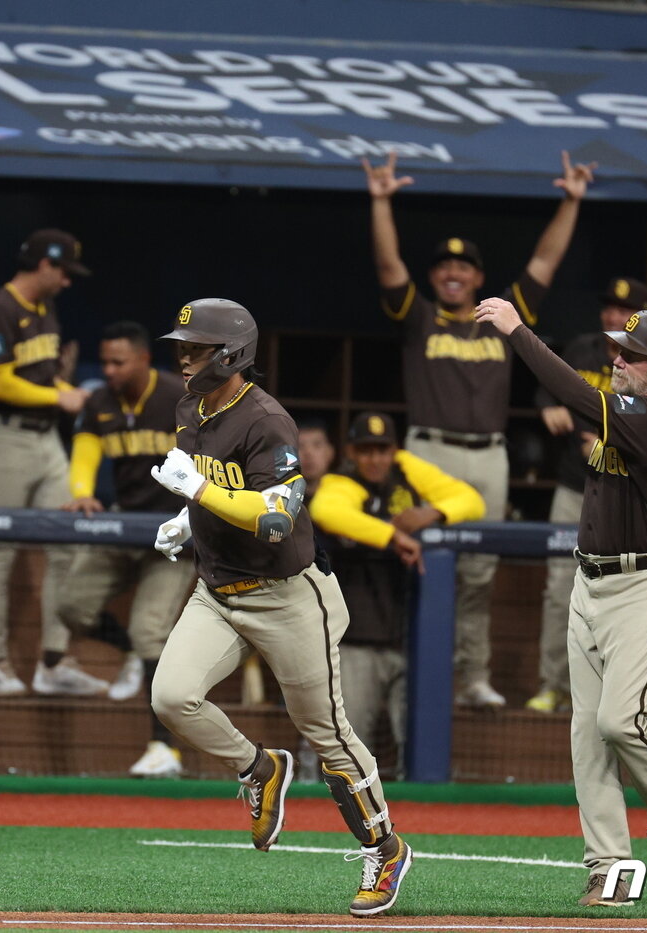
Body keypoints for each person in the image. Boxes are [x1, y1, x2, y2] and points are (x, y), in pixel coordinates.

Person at [148, 298, 412, 917]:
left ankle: (385, 848)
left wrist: (199, 491)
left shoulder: (267, 419)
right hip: (218, 591)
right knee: (171, 698)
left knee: (327, 733)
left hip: (287, 596)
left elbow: (275, 518)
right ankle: (260, 768)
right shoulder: (189, 407)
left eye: (197, 348)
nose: (184, 358)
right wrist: (187, 517)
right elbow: (215, 486)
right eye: (182, 347)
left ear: (232, 353)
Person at [475, 298, 647, 907]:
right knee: (588, 736)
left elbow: (578, 396)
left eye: (633, 356)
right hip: (589, 583)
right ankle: (610, 866)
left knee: (619, 722)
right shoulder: (633, 407)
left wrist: (518, 332)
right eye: (619, 349)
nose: (618, 360)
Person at [365, 151, 593, 708]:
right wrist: (381, 202)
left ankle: (471, 677)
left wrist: (571, 201)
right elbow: (389, 266)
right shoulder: (420, 316)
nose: (454, 273)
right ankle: (418, 673)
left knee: (480, 570)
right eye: (445, 266)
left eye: (464, 267)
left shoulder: (501, 314)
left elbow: (545, 261)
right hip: (428, 454)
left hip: (489, 455)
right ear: (434, 276)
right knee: (421, 558)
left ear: (478, 278)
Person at [309, 411, 484, 774]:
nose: (375, 459)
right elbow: (326, 511)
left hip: (412, 641)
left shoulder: (407, 470)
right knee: (347, 742)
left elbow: (471, 500)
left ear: (394, 450)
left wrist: (434, 513)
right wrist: (391, 535)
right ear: (351, 452)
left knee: (418, 747)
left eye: (382, 450)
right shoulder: (342, 482)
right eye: (366, 450)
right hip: (358, 641)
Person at [0, 229, 102, 698]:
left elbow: (39, 376)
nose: (67, 281)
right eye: (63, 271)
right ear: (44, 265)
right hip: (4, 437)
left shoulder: (45, 309)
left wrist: (61, 387)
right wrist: (59, 396)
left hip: (46, 441)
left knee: (69, 542)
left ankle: (54, 661)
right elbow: (0, 383)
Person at [57, 321, 195, 777]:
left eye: (119, 362)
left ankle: (164, 750)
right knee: (71, 605)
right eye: (105, 362)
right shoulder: (99, 401)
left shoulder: (177, 396)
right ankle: (130, 652)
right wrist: (82, 492)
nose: (109, 370)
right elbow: (85, 452)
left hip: (173, 533)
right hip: (125, 525)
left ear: (142, 359)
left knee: (150, 630)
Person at [528, 277, 647, 714]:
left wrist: (604, 445)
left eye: (625, 311)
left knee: (619, 593)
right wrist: (547, 405)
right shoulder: (581, 350)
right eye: (609, 308)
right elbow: (549, 384)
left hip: (623, 493)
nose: (614, 317)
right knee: (560, 590)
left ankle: (610, 693)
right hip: (573, 487)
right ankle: (551, 684)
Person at [297, 421, 336, 500]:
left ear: (330, 452)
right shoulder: (280, 499)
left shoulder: (345, 494)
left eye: (316, 445)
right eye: (300, 446)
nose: (308, 453)